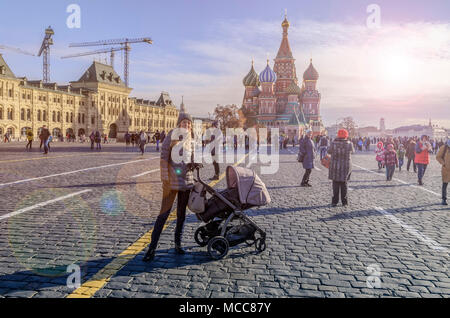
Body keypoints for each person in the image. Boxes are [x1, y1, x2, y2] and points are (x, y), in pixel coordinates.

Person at [143, 113, 195, 262]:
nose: (187, 125)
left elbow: (192, 158)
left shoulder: (191, 139)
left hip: (186, 181)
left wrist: (194, 164)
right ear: (179, 124)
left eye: (189, 123)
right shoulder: (172, 135)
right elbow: (164, 157)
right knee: (163, 215)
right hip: (171, 182)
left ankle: (178, 244)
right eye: (184, 122)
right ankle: (152, 248)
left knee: (181, 215)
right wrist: (164, 177)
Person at [328, 129, 354, 207]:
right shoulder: (349, 144)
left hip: (335, 166)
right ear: (346, 135)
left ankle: (334, 201)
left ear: (338, 135)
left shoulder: (333, 143)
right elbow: (353, 151)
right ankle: (344, 201)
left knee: (335, 183)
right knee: (344, 184)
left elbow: (329, 151)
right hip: (346, 166)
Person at [436, 139, 450, 206]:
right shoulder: (444, 148)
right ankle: (443, 199)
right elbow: (438, 157)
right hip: (446, 169)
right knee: (445, 184)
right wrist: (443, 163)